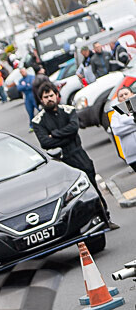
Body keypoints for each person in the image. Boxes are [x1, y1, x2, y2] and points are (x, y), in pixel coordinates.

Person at [32, 83, 116, 227]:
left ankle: (105, 218)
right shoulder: (38, 121)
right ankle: (79, 227)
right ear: (41, 100)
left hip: (79, 155)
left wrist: (55, 135)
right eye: (45, 97)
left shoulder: (69, 110)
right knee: (69, 198)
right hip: (61, 162)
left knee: (92, 189)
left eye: (51, 95)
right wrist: (62, 136)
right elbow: (45, 142)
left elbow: (74, 128)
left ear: (57, 96)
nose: (49, 99)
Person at [110, 86, 136, 173]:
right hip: (132, 156)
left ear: (132, 94)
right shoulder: (116, 115)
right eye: (121, 96)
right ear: (118, 100)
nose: (124, 96)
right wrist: (134, 122)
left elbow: (122, 128)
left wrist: (126, 124)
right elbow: (117, 131)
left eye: (126, 94)